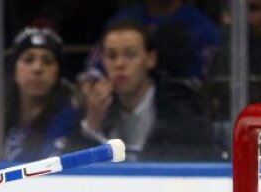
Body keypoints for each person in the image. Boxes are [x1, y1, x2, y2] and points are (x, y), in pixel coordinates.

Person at [73, 20, 217, 161]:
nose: (119, 64)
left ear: (151, 59)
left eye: (130, 54)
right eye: (111, 56)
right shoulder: (94, 106)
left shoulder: (181, 106)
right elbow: (67, 172)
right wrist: (92, 126)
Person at [0, 27, 80, 162]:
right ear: (15, 69)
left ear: (58, 72)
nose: (37, 68)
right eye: (28, 60)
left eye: (47, 61)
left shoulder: (72, 121)